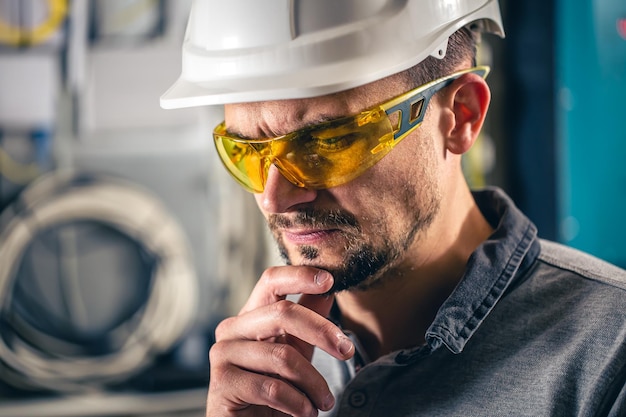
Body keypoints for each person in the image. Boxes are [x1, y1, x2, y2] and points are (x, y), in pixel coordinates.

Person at [161, 1, 626, 415]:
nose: (274, 198)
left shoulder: (608, 361)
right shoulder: (263, 373)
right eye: (248, 153)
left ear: (461, 115)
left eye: (330, 142)